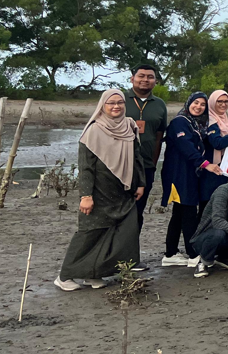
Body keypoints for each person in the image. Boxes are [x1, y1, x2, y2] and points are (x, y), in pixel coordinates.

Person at [55, 90, 147, 291]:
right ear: (102, 106)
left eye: (120, 102)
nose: (116, 106)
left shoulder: (129, 126)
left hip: (124, 191)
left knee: (122, 233)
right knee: (90, 234)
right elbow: (85, 167)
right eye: (111, 103)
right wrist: (86, 196)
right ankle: (65, 276)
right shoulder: (93, 131)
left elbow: (137, 157)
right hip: (99, 192)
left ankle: (94, 274)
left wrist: (140, 183)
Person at [160, 93, 214, 267]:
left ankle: (170, 253)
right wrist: (205, 164)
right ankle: (193, 255)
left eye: (203, 104)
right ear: (188, 103)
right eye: (195, 102)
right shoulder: (179, 122)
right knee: (189, 213)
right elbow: (186, 147)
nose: (198, 107)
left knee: (178, 213)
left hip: (189, 174)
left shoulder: (195, 123)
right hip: (178, 174)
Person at [125, 65, 168, 234]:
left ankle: (132, 248)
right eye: (141, 76)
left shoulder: (160, 104)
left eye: (150, 77)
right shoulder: (120, 100)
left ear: (155, 81)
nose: (145, 80)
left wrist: (152, 164)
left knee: (138, 211)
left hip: (146, 167)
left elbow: (159, 137)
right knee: (119, 210)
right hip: (121, 165)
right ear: (132, 79)